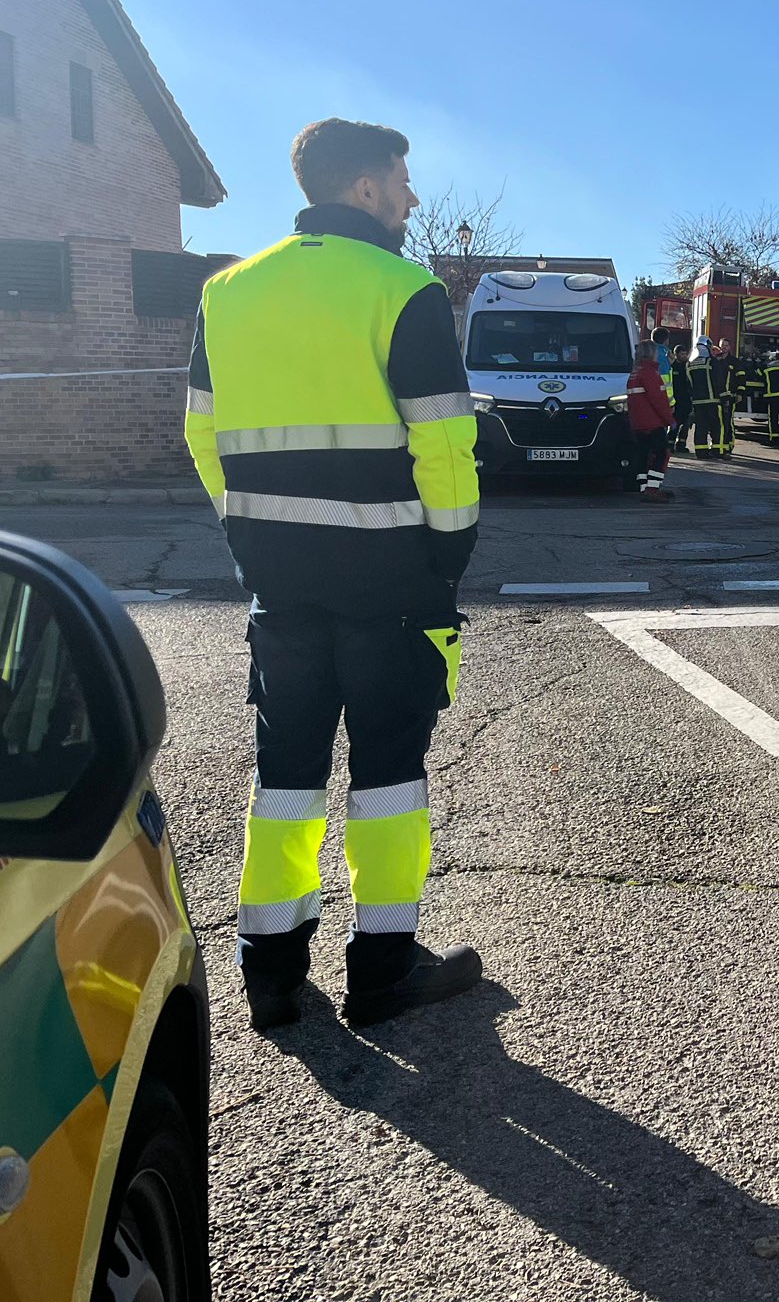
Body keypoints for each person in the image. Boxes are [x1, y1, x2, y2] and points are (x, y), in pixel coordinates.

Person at [184, 117, 483, 1029]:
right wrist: (445, 560)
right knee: (390, 776)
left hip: (280, 583)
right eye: (402, 179)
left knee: (284, 776)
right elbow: (445, 448)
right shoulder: (404, 290)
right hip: (391, 586)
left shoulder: (226, 292)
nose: (412, 196)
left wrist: (253, 536)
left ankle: (269, 971)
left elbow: (203, 433)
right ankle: (383, 968)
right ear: (365, 188)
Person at [626, 340, 676, 500]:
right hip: (652, 422)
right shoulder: (650, 373)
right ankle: (653, 488)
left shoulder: (635, 373)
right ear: (651, 353)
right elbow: (658, 400)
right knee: (661, 453)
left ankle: (644, 487)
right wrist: (670, 420)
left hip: (638, 423)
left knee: (643, 454)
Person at [684, 338, 721, 459]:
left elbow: (689, 384)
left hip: (697, 401)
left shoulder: (689, 364)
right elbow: (718, 380)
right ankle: (716, 450)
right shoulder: (711, 362)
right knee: (715, 426)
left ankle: (701, 452)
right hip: (712, 400)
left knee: (700, 426)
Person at [711, 338, 739, 457]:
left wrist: (740, 393)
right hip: (717, 397)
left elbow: (740, 378)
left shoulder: (735, 361)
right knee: (717, 422)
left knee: (728, 421)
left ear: (730, 347)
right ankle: (718, 445)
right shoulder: (716, 360)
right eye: (722, 345)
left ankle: (728, 445)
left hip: (730, 396)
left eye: (726, 345)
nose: (724, 348)